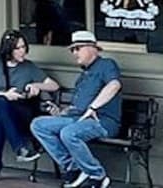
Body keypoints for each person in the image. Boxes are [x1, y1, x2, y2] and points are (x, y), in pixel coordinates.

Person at [31, 29, 123, 188]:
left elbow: (114, 85)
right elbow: (77, 108)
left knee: (69, 133)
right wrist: (60, 112)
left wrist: (93, 107)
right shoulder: (83, 75)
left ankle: (97, 175)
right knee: (39, 125)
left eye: (78, 48)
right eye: (72, 49)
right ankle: (74, 168)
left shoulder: (106, 65)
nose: (74, 53)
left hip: (102, 121)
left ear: (92, 47)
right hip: (78, 119)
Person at [0, 29, 59, 180]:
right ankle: (19, 147)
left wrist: (37, 85)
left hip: (6, 114)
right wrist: (5, 95)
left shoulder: (29, 67)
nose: (23, 51)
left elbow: (54, 86)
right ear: (8, 49)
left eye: (24, 47)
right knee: (1, 103)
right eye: (18, 48)